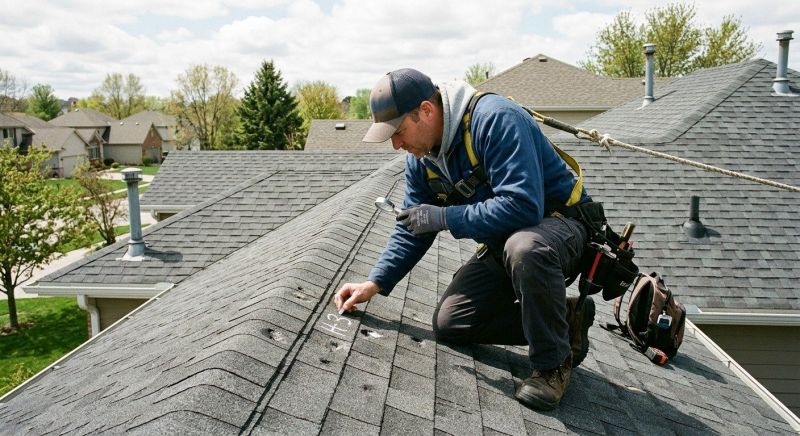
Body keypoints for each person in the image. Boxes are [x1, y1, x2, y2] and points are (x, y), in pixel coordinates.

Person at [334, 68, 596, 410]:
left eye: (398, 131)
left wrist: (444, 217)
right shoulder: (423, 160)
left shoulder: (496, 120)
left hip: (560, 227)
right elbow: (415, 225)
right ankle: (564, 316)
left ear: (426, 111)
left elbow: (524, 206)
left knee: (526, 248)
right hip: (509, 239)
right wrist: (376, 282)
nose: (397, 144)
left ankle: (551, 364)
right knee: (452, 322)